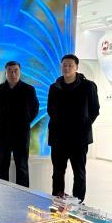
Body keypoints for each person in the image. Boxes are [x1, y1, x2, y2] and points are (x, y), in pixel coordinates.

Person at [46, 54, 100, 201]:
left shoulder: (88, 86)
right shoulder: (54, 87)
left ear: (76, 67)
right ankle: (57, 200)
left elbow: (95, 110)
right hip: (58, 137)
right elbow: (50, 110)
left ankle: (78, 202)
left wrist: (83, 125)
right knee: (58, 172)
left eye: (70, 65)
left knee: (79, 173)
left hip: (79, 138)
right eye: (64, 65)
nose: (67, 68)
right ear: (61, 66)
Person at [0, 61, 40, 187]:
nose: (13, 73)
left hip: (21, 134)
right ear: (5, 72)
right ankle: (2, 192)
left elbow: (34, 109)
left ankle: (23, 194)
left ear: (20, 71)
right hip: (2, 133)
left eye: (15, 70)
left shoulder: (29, 89)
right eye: (10, 71)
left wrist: (24, 122)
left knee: (22, 167)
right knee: (2, 166)